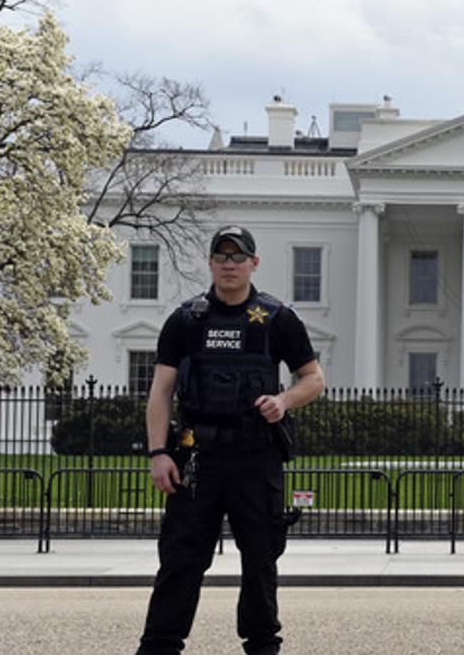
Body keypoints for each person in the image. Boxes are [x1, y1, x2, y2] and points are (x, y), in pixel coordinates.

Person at [135, 225, 326, 655]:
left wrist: (284, 400)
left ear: (253, 263)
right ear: (211, 263)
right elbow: (161, 392)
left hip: (255, 458)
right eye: (221, 257)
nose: (229, 264)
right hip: (196, 460)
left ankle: (262, 648)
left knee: (260, 563)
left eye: (238, 257)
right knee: (180, 563)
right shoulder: (186, 320)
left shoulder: (277, 318)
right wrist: (158, 452)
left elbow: (314, 379)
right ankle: (158, 648)